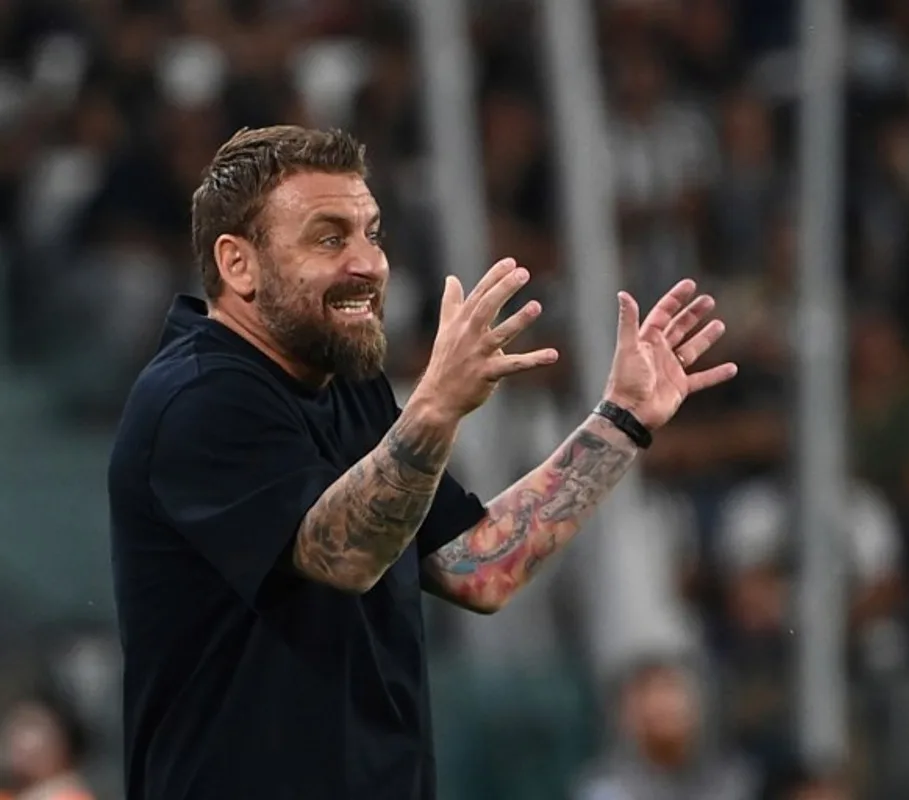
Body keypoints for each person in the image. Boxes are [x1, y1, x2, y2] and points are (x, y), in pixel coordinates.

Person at [106, 125, 737, 800]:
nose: (370, 263)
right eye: (329, 237)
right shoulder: (198, 396)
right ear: (238, 264)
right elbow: (341, 556)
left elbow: (480, 567)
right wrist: (435, 408)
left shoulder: (345, 383)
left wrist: (622, 421)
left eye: (371, 234)